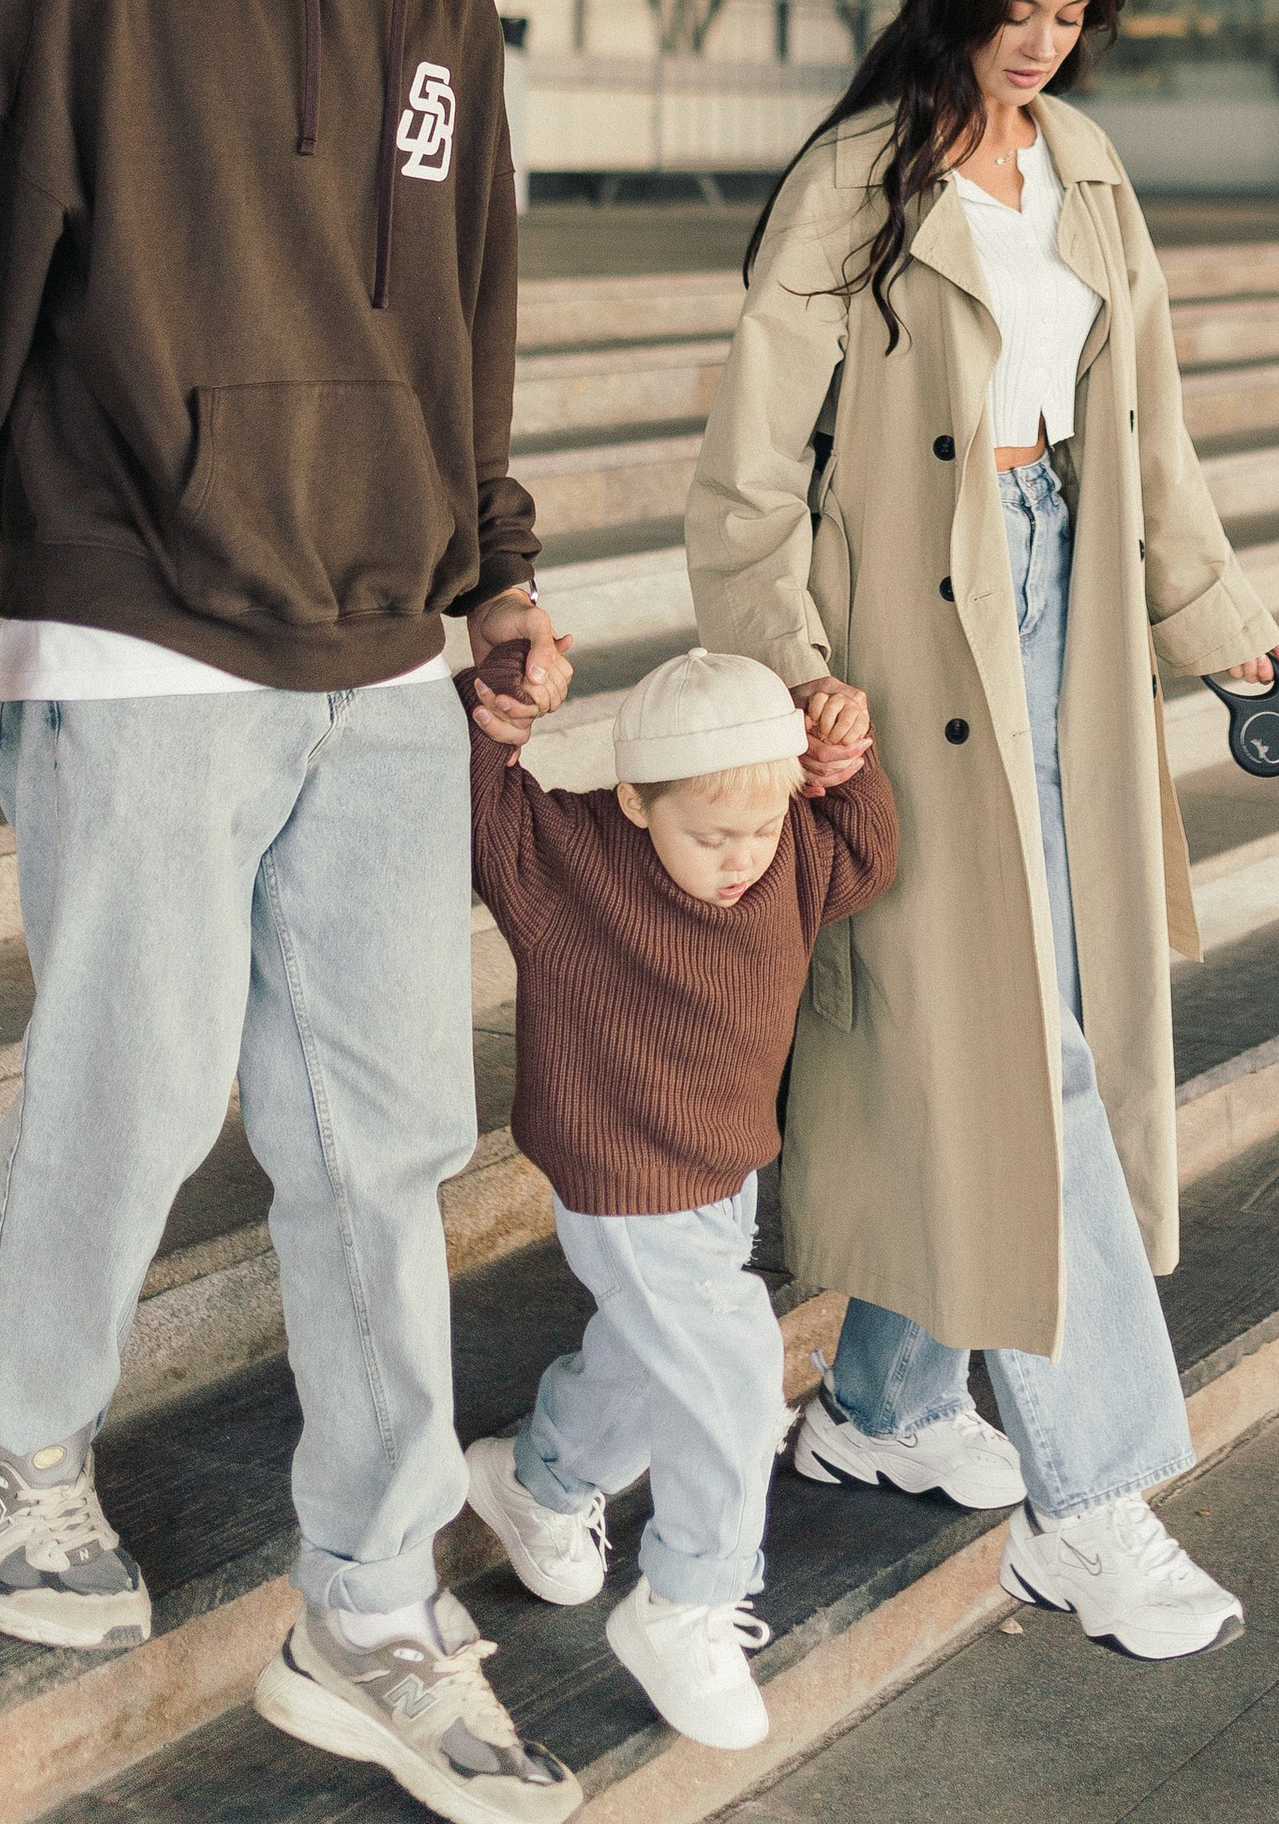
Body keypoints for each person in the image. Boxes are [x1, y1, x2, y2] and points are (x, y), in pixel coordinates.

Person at [0, 0, 586, 1824]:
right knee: (133, 1092)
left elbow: (468, 318)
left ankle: (368, 1599)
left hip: (380, 654)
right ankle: (10, 1459)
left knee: (383, 1147)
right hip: (138, 625)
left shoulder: (443, 8)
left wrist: (497, 572)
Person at [685, 0, 1279, 1664]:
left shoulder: (1088, 176)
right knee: (1013, 1048)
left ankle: (880, 1404)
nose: (1037, 45)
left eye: (1068, 16)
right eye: (1013, 9)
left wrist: (1226, 627)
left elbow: (1155, 436)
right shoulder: (855, 182)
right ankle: (1091, 1500)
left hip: (1067, 611)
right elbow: (747, 473)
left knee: (1043, 1014)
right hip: (903, 643)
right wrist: (795, 667)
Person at [455, 640, 895, 1750]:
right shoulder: (573, 861)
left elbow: (866, 856)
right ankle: (687, 1602)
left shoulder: (786, 848)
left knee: (658, 1352)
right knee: (737, 1372)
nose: (742, 859)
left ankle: (541, 1479)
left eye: (762, 827)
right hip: (619, 1171)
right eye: (711, 835)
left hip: (721, 1165)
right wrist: (495, 723)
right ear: (634, 799)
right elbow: (480, 816)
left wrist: (844, 762)